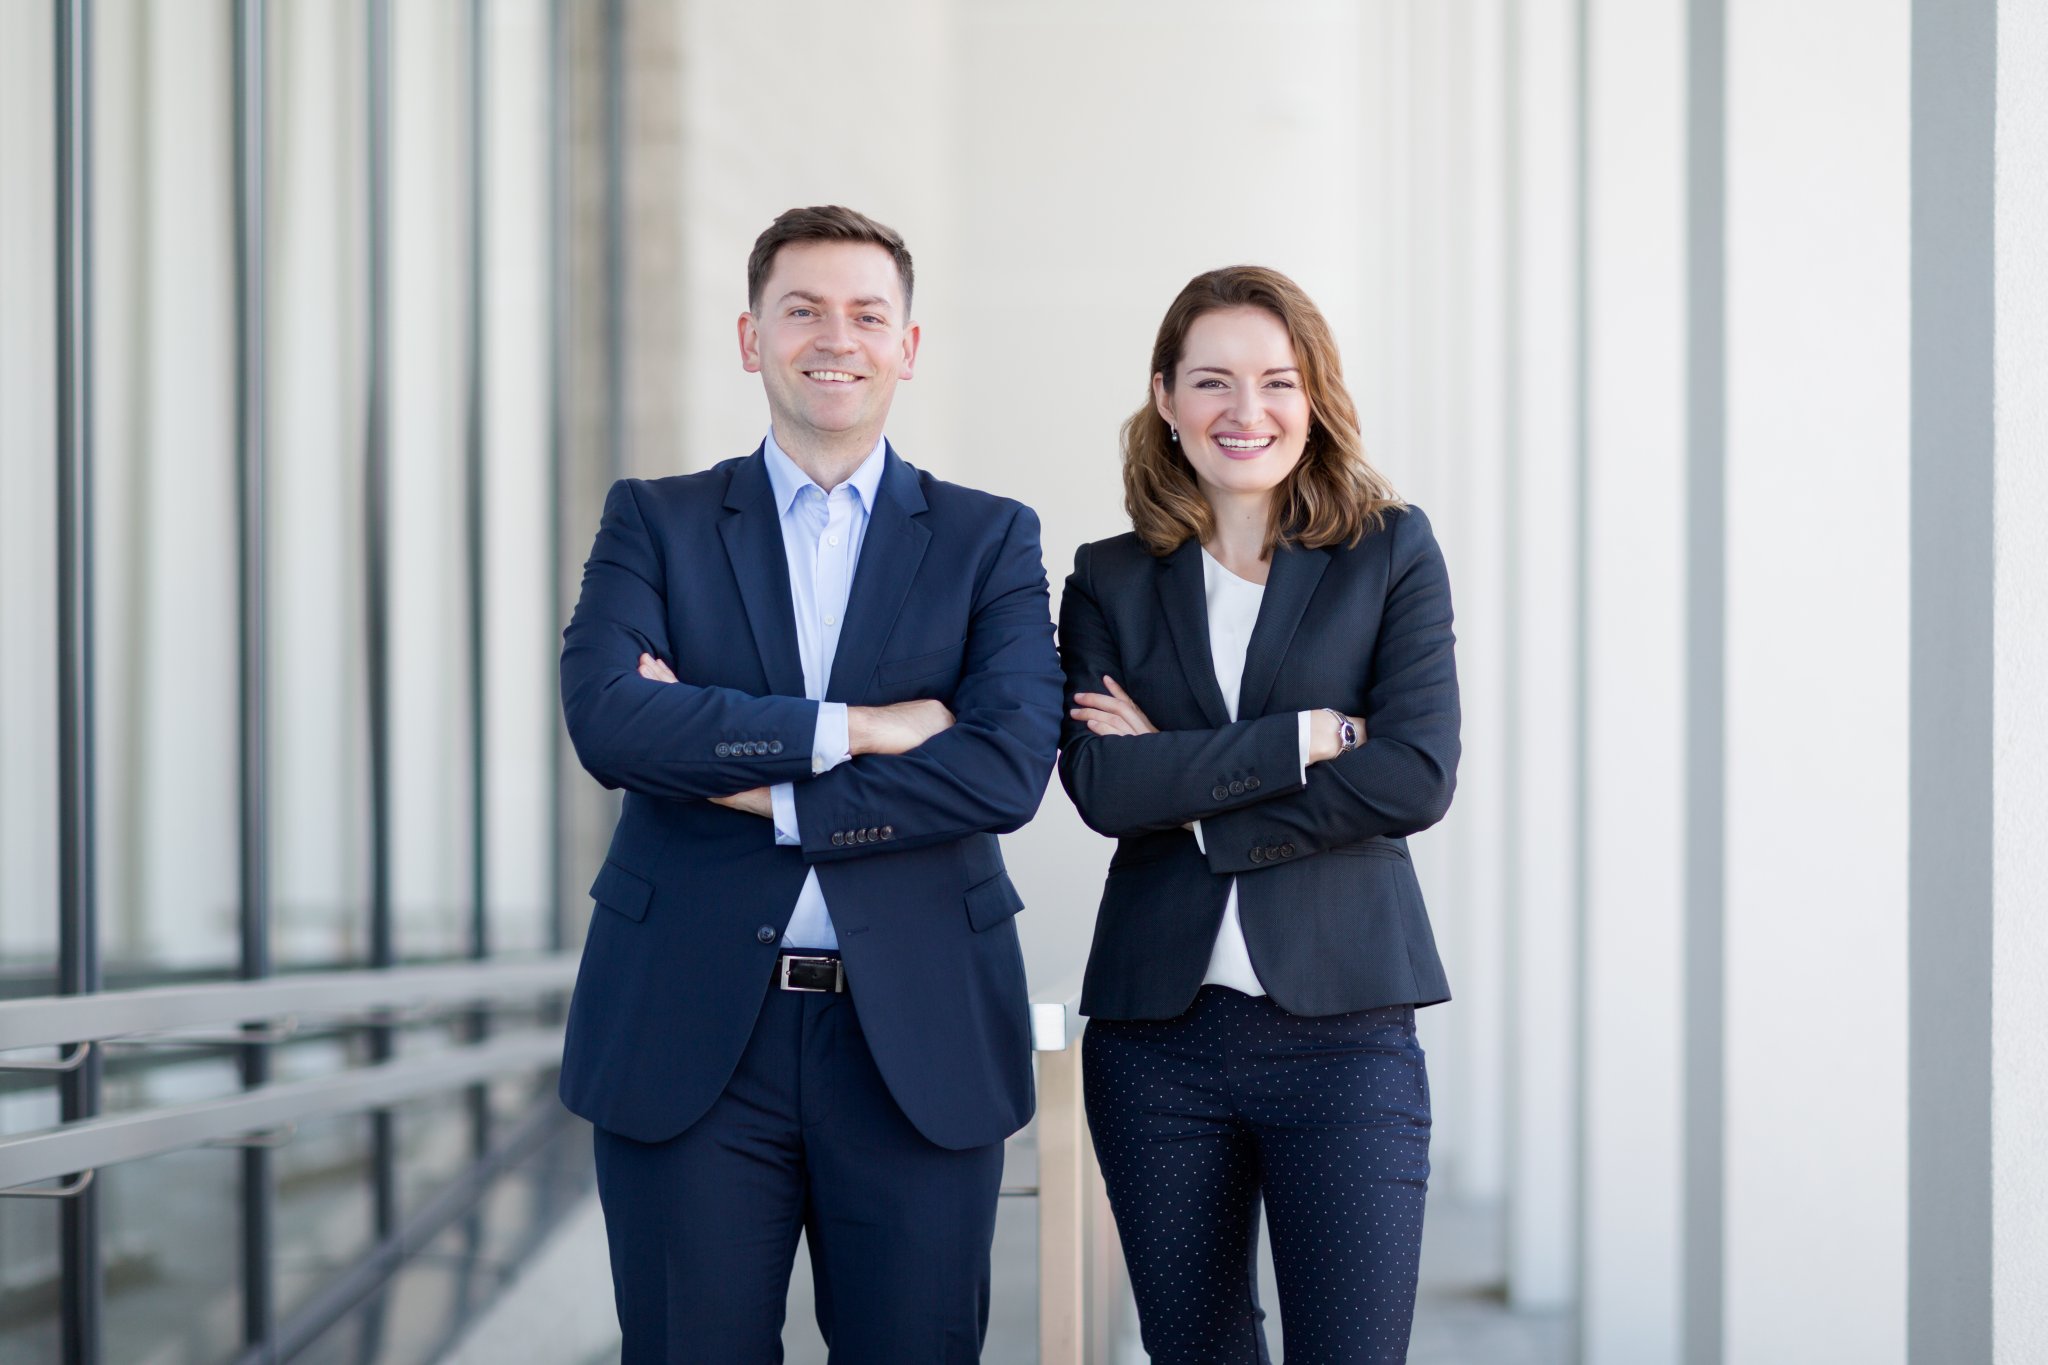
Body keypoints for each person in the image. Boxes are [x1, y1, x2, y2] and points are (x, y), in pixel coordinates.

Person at [556, 205, 1064, 1364]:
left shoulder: (988, 539)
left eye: (866, 315)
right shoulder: (656, 520)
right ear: (751, 338)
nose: (835, 338)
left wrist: (767, 788)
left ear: (906, 347)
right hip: (687, 1032)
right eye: (802, 310)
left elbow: (1003, 767)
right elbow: (611, 721)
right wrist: (864, 729)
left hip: (917, 1037)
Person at [1057, 265, 1460, 1364]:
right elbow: (1101, 787)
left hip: (1345, 1031)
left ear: (1314, 395)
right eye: (1212, 381)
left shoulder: (1389, 552)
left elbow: (1415, 774)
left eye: (1277, 380)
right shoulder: (1107, 579)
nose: (1247, 410)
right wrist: (1304, 738)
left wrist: (1184, 789)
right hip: (1155, 1044)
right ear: (1165, 397)